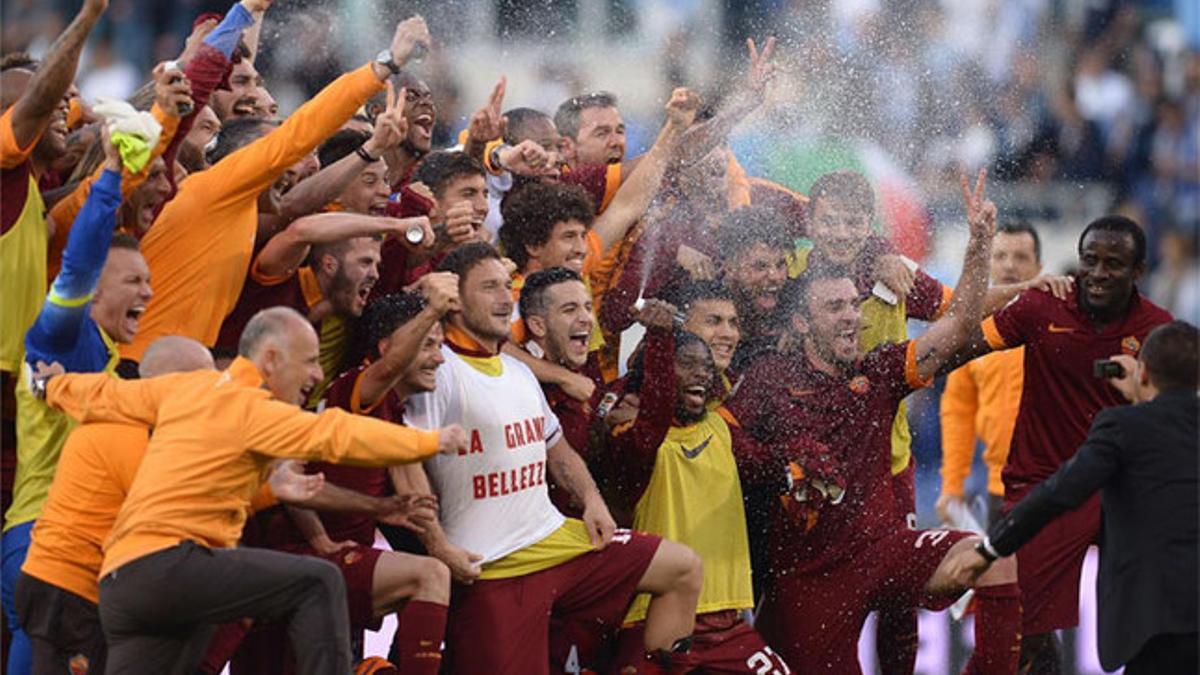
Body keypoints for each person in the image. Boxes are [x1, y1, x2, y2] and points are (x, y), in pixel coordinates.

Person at [30, 306, 468, 674]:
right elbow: (335, 434)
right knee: (318, 580)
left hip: (125, 587)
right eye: (310, 360)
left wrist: (49, 385)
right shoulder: (251, 409)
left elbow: (104, 395)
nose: (317, 373)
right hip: (172, 568)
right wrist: (429, 441)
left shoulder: (186, 388)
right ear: (272, 359)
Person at [728, 172, 1021, 673]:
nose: (853, 317)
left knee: (996, 561)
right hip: (808, 574)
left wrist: (979, 245)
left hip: (880, 548)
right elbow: (722, 442)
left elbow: (957, 323)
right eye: (836, 307)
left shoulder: (880, 370)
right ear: (798, 321)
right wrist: (782, 466)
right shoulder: (764, 379)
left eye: (855, 305)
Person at [400, 242, 704, 674]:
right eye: (489, 288)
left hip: (557, 541)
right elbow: (404, 459)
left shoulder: (520, 372)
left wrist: (592, 501)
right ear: (454, 300)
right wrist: (437, 544)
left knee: (683, 569)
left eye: (507, 287)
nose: (506, 299)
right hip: (493, 567)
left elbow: (557, 450)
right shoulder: (441, 369)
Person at [120, 15, 432, 364]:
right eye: (276, 158)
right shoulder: (214, 188)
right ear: (245, 160)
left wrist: (253, 11)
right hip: (143, 368)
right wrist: (386, 64)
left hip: (175, 371)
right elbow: (299, 134)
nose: (295, 166)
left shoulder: (237, 210)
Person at [12, 336, 328, 675]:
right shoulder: (126, 434)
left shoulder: (150, 431)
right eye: (202, 383)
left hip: (78, 592)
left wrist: (269, 489)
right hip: (70, 591)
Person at [959, 214, 1173, 671]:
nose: (1097, 273)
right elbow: (961, 348)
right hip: (1044, 488)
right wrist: (902, 371)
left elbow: (1177, 417)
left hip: (1122, 493)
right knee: (1022, 637)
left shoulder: (1159, 330)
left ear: (1138, 272)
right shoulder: (1040, 307)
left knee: (1156, 625)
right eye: (1089, 260)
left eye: (1113, 264)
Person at [228, 278, 460, 675]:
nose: (439, 358)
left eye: (440, 345)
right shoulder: (359, 386)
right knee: (430, 576)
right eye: (427, 344)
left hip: (326, 562)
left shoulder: (395, 413)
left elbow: (412, 492)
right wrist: (433, 310)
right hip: (300, 556)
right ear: (389, 349)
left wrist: (444, 546)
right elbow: (290, 477)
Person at [945, 320, 1198, 674]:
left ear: (1142, 374)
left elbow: (1059, 492)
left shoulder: (1122, 427)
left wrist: (991, 549)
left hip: (1152, 620)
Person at [2, 130, 149, 675]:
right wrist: (111, 176)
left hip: (83, 553)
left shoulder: (114, 363)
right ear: (96, 291)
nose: (148, 293)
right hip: (46, 542)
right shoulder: (59, 336)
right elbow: (78, 267)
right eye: (133, 280)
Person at [601, 302, 790, 674]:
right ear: (654, 370)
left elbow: (766, 465)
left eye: (704, 365)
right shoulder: (628, 434)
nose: (700, 373)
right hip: (654, 618)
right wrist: (657, 339)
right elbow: (651, 425)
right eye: (685, 363)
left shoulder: (719, 427)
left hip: (725, 621)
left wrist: (801, 466)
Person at [939, 221, 1045, 527]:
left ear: (1040, 265)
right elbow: (958, 408)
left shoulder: (1059, 324)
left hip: (1055, 484)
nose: (1009, 265)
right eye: (1000, 256)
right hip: (999, 486)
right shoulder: (973, 328)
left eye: (1021, 257)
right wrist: (952, 485)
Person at [516, 267, 597, 516]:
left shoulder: (580, 371)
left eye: (588, 307)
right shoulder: (517, 381)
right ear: (538, 325)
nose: (586, 318)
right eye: (570, 309)